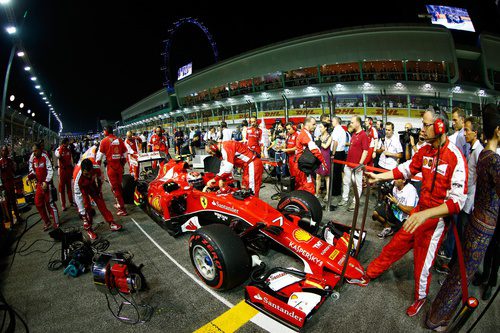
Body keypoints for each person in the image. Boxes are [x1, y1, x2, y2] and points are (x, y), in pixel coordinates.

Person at [362, 109, 468, 318]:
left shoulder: (455, 156)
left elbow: (457, 202)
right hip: (419, 213)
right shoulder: (425, 150)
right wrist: (378, 177)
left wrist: (426, 215)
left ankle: (420, 299)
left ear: (440, 127)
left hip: (435, 220)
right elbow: (406, 169)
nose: (422, 129)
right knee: (394, 246)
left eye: (426, 124)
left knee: (422, 264)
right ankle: (368, 274)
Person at [426, 105, 499, 330]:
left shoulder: (485, 155)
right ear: (497, 130)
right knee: (462, 275)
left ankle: (437, 313)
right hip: (484, 226)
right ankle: (438, 318)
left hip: (478, 218)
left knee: (461, 271)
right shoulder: (494, 160)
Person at [74, 158, 123, 240]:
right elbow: (77, 196)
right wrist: (82, 213)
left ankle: (111, 223)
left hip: (92, 184)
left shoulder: (96, 167)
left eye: (90, 173)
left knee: (101, 202)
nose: (89, 176)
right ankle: (88, 229)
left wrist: (99, 189)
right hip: (82, 187)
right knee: (87, 208)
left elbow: (100, 178)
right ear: (82, 171)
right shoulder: (77, 177)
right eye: (86, 174)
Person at [338, 116, 369, 211]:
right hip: (349, 164)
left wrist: (360, 164)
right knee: (346, 182)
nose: (350, 124)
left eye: (352, 122)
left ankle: (356, 202)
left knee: (358, 185)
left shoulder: (363, 135)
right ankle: (345, 199)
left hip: (356, 166)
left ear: (358, 123)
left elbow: (365, 150)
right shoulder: (354, 134)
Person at [96, 126, 128, 216]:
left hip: (111, 168)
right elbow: (125, 153)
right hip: (119, 167)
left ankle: (122, 209)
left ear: (106, 131)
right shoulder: (119, 140)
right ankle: (119, 203)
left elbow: (99, 157)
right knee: (118, 186)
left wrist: (97, 169)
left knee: (115, 188)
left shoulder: (104, 141)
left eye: (103, 130)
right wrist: (123, 163)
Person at [29, 143, 60, 231]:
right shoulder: (33, 158)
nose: (34, 153)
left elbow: (50, 170)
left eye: (35, 151)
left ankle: (56, 222)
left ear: (40, 150)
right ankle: (47, 221)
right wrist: (30, 176)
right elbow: (33, 170)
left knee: (50, 203)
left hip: (46, 184)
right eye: (33, 151)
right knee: (38, 203)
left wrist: (46, 182)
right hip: (39, 184)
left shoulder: (45, 157)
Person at [294, 117, 327, 195]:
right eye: (314, 124)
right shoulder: (305, 134)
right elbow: (314, 149)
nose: (315, 126)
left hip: (301, 164)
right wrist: (323, 161)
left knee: (303, 186)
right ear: (307, 123)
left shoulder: (305, 133)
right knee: (309, 186)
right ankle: (309, 206)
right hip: (303, 165)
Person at [0, 146, 22, 223]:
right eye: (3, 151)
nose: (4, 152)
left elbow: (14, 171)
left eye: (6, 151)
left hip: (11, 183)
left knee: (14, 202)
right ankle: (11, 222)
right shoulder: (0, 162)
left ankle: (18, 218)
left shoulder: (10, 160)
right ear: (1, 152)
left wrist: (14, 165)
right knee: (8, 204)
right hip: (4, 185)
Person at [54, 138, 75, 211]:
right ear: (64, 143)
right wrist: (61, 148)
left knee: (69, 187)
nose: (68, 144)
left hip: (68, 170)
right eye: (67, 143)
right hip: (62, 170)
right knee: (62, 188)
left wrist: (73, 169)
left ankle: (71, 201)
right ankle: (63, 205)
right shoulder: (58, 149)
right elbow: (58, 156)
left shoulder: (68, 150)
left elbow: (71, 160)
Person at [330, 117, 347, 203]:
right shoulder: (342, 129)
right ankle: (337, 190)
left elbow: (335, 142)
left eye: (332, 121)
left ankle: (335, 192)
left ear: (336, 121)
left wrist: (333, 154)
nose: (331, 122)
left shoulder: (337, 130)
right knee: (338, 173)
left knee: (335, 173)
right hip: (341, 152)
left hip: (337, 152)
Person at [315, 122, 332, 202]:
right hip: (319, 157)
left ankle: (328, 194)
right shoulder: (319, 136)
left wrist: (319, 141)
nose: (320, 129)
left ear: (325, 128)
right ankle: (317, 193)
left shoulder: (329, 137)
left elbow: (325, 146)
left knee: (327, 177)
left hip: (326, 158)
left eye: (321, 127)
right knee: (317, 176)